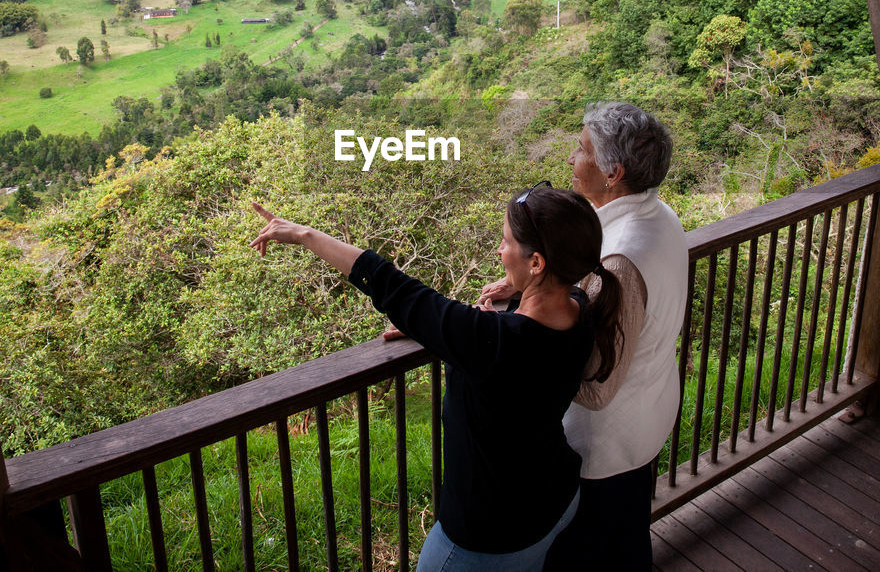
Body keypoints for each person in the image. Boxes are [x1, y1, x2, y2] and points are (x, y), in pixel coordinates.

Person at [250, 183, 623, 571]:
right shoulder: (578, 309)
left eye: (506, 241)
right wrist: (477, 315)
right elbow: (518, 332)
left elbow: (392, 285)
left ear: (538, 263)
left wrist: (304, 234)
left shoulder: (492, 340)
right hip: (554, 499)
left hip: (488, 536)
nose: (499, 250)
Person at [482, 102, 688, 569]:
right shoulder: (660, 218)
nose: (572, 161)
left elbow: (596, 386)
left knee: (590, 555)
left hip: (605, 448)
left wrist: (508, 336)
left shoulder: (618, 261)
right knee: (628, 540)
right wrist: (524, 290)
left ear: (613, 172)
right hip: (646, 418)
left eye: (581, 150)